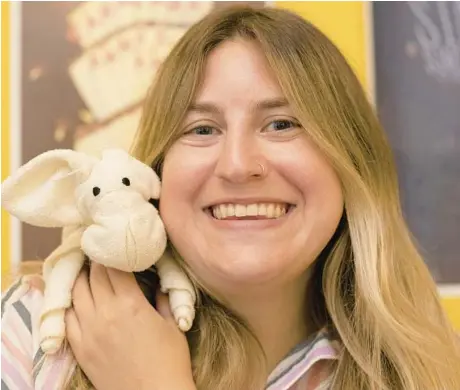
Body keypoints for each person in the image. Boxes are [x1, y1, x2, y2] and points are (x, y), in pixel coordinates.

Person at [2, 5, 460, 390]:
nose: (239, 165)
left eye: (281, 124)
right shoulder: (35, 329)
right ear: (154, 172)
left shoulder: (431, 367)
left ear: (351, 160)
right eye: (202, 129)